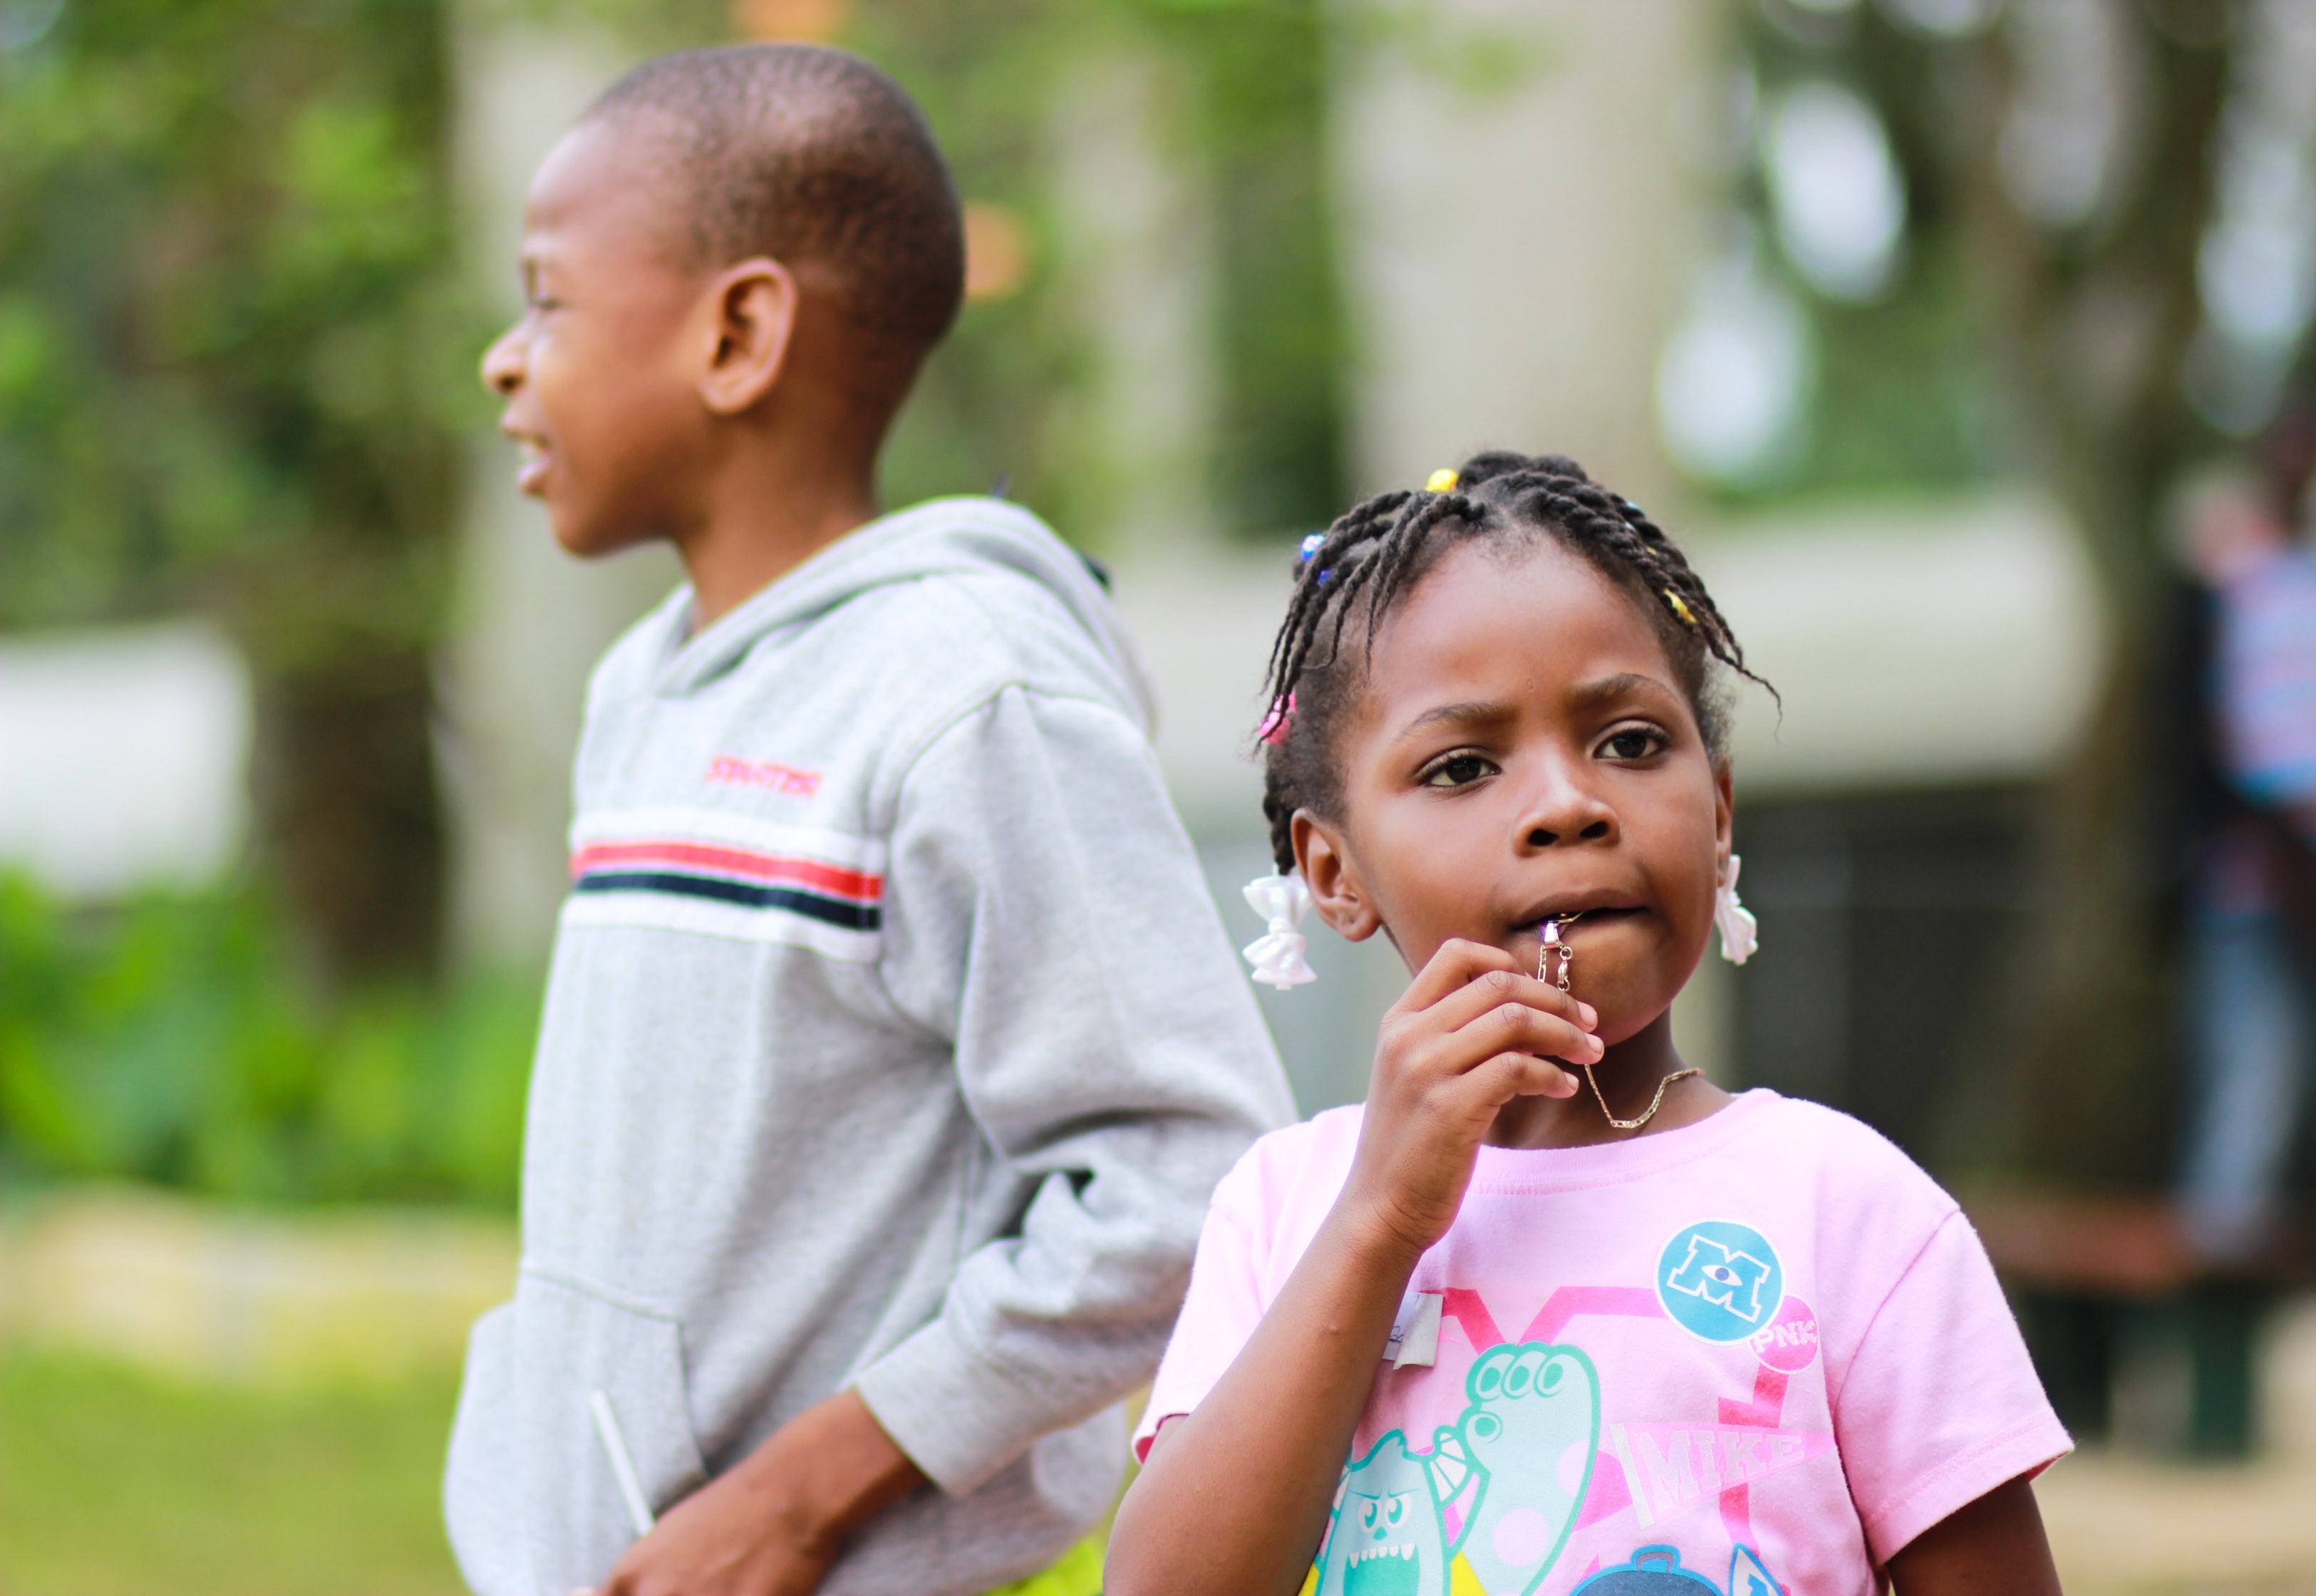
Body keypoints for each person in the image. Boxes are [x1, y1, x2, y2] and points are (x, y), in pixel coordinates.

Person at [443, 44, 1293, 1596]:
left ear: (740, 332)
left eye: (549, 301)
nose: (507, 358)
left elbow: (1192, 1174)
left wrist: (805, 1493)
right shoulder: (641, 689)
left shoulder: (974, 692)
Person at [1108, 454, 2072, 1596]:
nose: (1569, 805)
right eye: (1463, 767)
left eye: (1629, 742)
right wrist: (1378, 1220)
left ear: (1718, 812)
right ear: (1336, 871)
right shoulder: (1286, 1211)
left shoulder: (1852, 1215)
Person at [2161, 447, 2316, 1370]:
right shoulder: (2225, 585)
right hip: (2255, 898)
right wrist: (2297, 853)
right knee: (2246, 1116)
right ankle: (2212, 1374)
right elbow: (2197, 738)